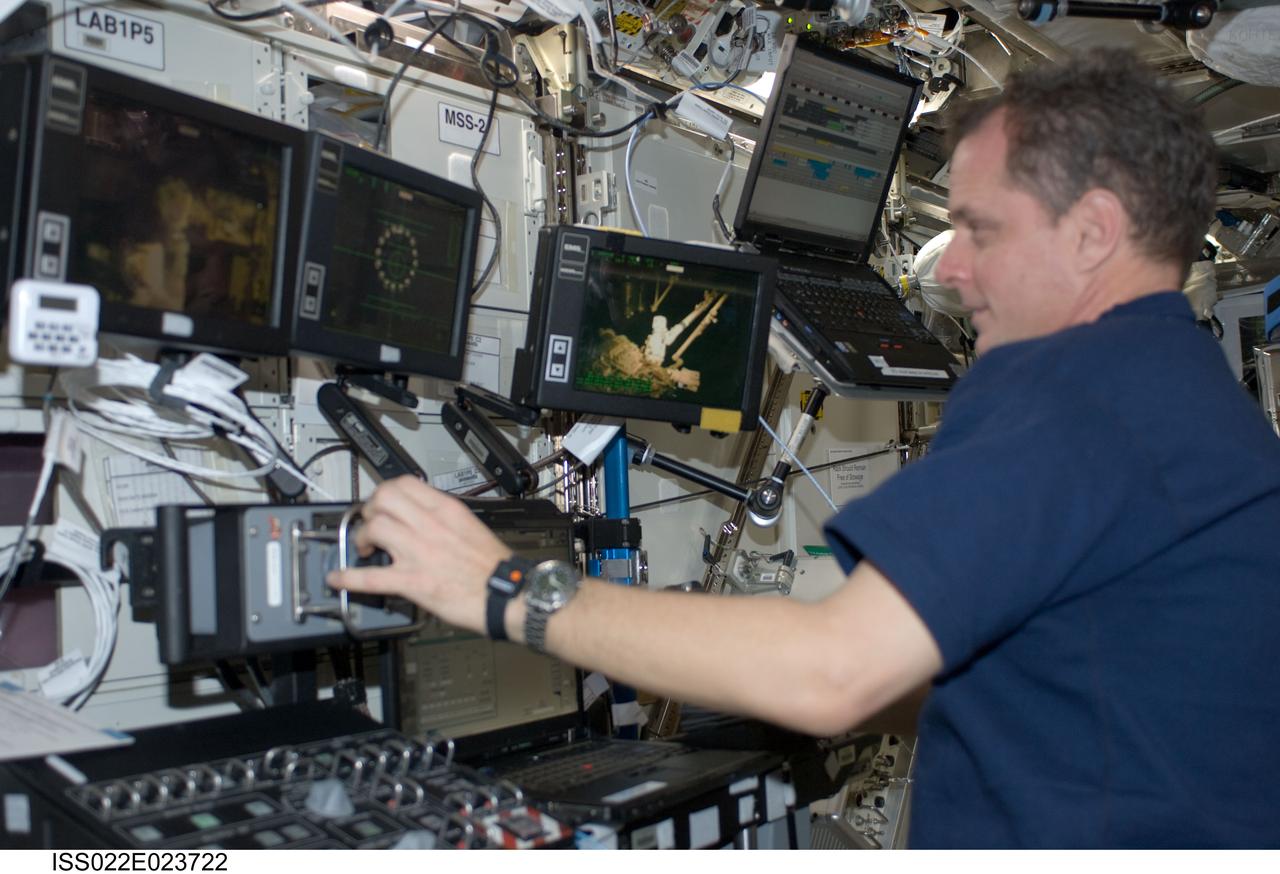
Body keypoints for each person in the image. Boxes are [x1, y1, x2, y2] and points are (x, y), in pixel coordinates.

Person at [329, 49, 1280, 847]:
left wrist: (500, 591)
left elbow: (833, 672)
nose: (949, 268)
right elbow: (1043, 688)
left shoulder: (1077, 389)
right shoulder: (1181, 393)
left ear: (1093, 233)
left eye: (979, 230)